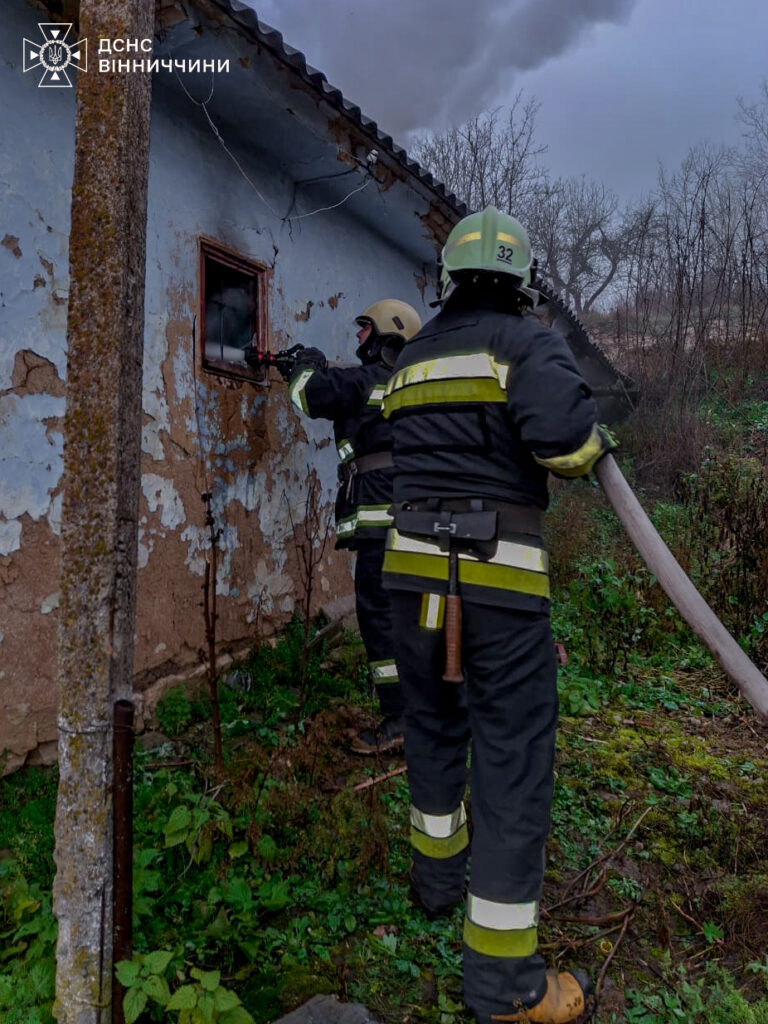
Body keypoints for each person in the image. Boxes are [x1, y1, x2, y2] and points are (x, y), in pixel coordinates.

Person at [380, 207, 615, 1023]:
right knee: (511, 763)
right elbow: (566, 444)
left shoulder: (412, 356)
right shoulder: (525, 342)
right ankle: (507, 988)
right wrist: (594, 441)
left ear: (448, 277)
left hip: (411, 579)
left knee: (432, 730)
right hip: (497, 587)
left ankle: (436, 884)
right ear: (523, 280)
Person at [287, 299, 422, 754]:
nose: (358, 336)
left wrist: (305, 364)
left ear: (385, 336)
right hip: (418, 520)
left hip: (382, 523)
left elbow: (308, 394)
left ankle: (401, 720)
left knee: (379, 618)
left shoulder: (365, 382)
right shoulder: (415, 389)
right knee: (413, 617)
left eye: (365, 329)